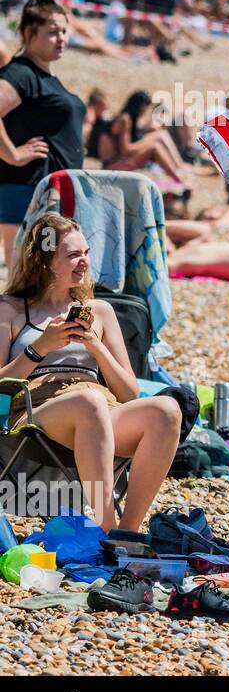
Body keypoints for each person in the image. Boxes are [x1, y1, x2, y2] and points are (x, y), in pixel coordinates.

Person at [0, 214, 181, 531]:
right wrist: (39, 347)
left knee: (166, 409)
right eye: (73, 255)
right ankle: (108, 529)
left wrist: (96, 346)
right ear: (45, 260)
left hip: (99, 408)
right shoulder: (10, 309)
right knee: (89, 403)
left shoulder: (100, 311)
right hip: (37, 408)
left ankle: (129, 531)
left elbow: (129, 393)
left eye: (86, 252)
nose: (84, 262)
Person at [0, 0, 86, 268]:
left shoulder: (42, 75)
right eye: (51, 32)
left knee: (53, 282)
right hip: (27, 193)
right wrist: (12, 154)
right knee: (28, 283)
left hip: (50, 194)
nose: (61, 38)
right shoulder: (21, 73)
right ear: (29, 33)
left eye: (63, 30)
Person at [91, 90, 190, 185]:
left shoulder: (124, 117)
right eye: (145, 109)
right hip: (111, 167)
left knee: (157, 138)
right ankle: (179, 180)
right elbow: (126, 150)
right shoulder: (125, 120)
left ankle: (178, 172)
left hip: (114, 163)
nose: (144, 112)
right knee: (154, 147)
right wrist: (147, 142)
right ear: (141, 107)